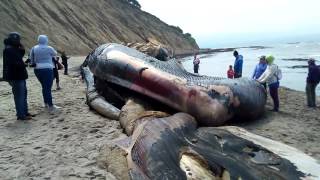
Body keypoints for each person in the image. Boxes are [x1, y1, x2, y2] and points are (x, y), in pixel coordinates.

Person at [2, 32, 32, 120]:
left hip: (18, 76)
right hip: (15, 76)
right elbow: (14, 63)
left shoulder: (12, 48)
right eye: (18, 40)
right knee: (20, 96)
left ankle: (24, 112)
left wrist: (21, 48)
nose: (19, 41)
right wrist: (23, 65)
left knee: (23, 95)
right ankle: (21, 115)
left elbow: (19, 55)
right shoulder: (9, 49)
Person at [30, 35, 59, 112]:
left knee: (44, 86)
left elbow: (31, 59)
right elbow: (55, 53)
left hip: (37, 69)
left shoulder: (34, 48)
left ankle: (46, 103)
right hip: (47, 68)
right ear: (46, 40)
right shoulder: (49, 48)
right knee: (48, 88)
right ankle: (50, 105)